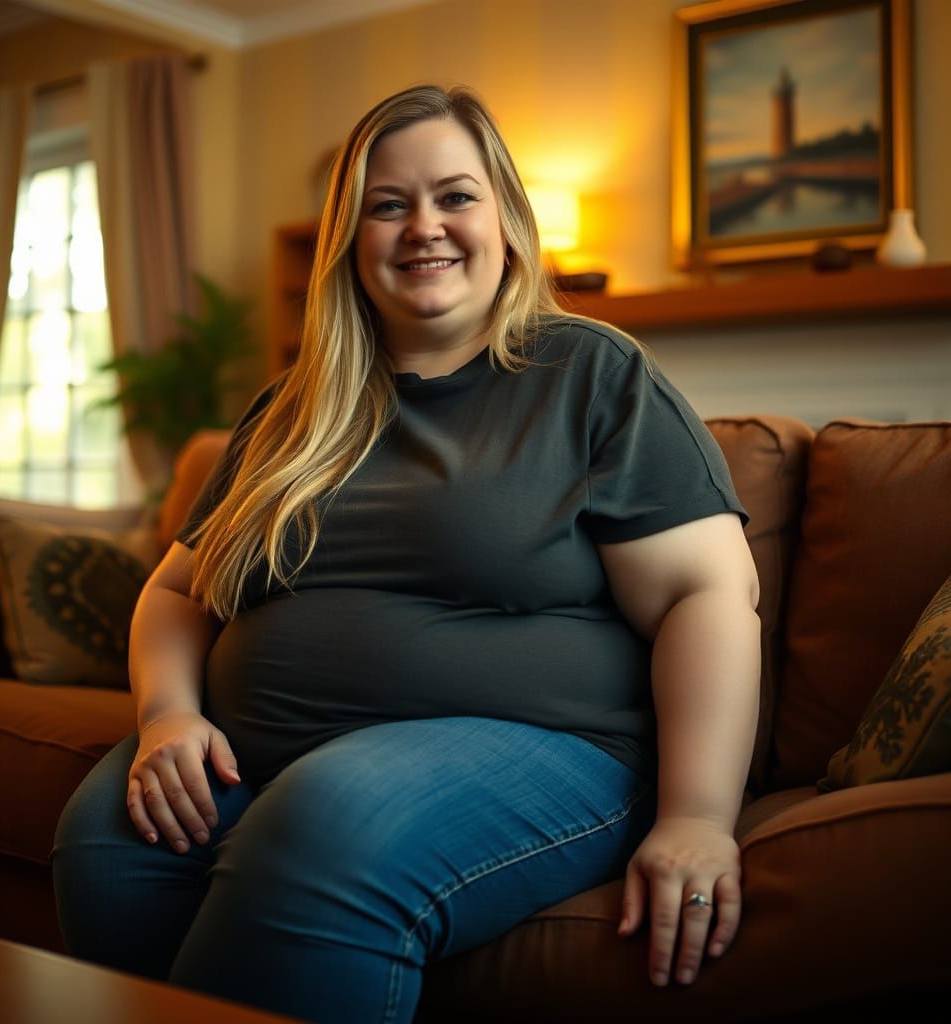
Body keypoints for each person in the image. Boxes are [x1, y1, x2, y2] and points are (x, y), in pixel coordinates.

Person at [52, 84, 760, 1024]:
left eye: (456, 196)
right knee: (107, 840)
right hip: (265, 755)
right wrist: (168, 716)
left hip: (552, 753)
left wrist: (698, 820)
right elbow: (179, 590)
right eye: (388, 204)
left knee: (329, 819)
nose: (424, 226)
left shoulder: (591, 374)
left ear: (506, 217)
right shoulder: (290, 410)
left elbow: (706, 597)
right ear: (350, 237)